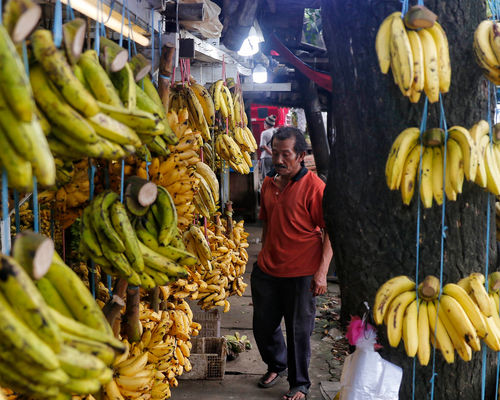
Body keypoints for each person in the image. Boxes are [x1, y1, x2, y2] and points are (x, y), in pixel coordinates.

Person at [252, 126, 333, 400]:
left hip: (301, 273)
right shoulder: (268, 183)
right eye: (275, 153)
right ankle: (277, 364)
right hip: (267, 270)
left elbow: (329, 232)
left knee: (299, 332)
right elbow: (266, 223)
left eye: (285, 154)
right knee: (263, 326)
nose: (278, 160)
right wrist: (263, 254)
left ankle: (300, 384)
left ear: (300, 155)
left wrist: (321, 273)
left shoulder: (315, 188)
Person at [259, 114, 277, 183]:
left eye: (264, 122)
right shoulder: (276, 131)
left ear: (267, 123)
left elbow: (263, 146)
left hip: (266, 157)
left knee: (266, 177)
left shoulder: (264, 133)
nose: (264, 124)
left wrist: (271, 153)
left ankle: (267, 192)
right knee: (274, 176)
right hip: (275, 158)